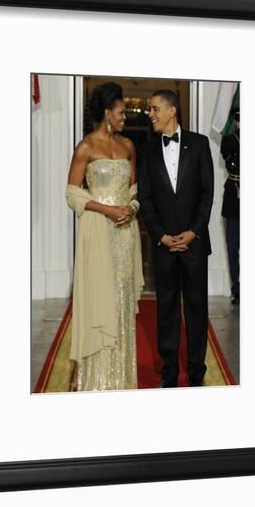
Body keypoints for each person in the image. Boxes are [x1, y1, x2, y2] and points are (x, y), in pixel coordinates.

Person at [65, 82, 144, 391]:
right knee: (101, 299)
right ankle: (96, 381)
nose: (126, 117)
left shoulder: (128, 147)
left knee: (121, 300)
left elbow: (135, 189)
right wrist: (107, 210)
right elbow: (72, 194)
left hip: (125, 236)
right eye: (122, 112)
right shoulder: (85, 147)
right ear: (108, 112)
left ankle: (122, 379)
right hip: (98, 233)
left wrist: (132, 208)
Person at [138, 89, 214, 388]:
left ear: (172, 111)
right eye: (150, 109)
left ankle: (197, 371)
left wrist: (193, 232)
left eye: (155, 108)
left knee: (196, 309)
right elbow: (145, 198)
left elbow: (207, 193)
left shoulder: (199, 144)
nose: (151, 114)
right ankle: (169, 371)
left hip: (194, 244)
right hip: (164, 246)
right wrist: (161, 236)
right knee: (166, 310)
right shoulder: (146, 150)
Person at [220, 110, 240, 305]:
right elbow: (226, 152)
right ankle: (237, 288)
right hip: (234, 193)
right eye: (239, 118)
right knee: (233, 245)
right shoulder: (230, 141)